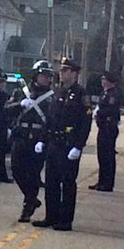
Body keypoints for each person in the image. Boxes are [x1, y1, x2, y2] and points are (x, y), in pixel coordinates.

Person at [32, 56, 91, 231]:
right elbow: (50, 119)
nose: (61, 73)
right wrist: (42, 139)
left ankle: (65, 220)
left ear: (73, 73)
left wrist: (78, 146)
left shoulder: (81, 94)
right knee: (51, 181)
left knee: (67, 183)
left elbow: (85, 123)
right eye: (61, 70)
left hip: (69, 144)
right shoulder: (58, 92)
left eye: (65, 71)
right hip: (54, 143)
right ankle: (51, 216)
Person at [9, 60, 56, 222]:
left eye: (48, 76)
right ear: (36, 75)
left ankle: (28, 206)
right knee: (16, 171)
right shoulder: (21, 92)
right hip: (20, 137)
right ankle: (31, 198)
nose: (46, 79)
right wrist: (19, 104)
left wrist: (44, 140)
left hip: (38, 140)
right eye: (43, 75)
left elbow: (53, 120)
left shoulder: (52, 98)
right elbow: (6, 110)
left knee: (33, 174)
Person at [89, 70, 121, 192]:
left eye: (104, 79)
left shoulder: (114, 94)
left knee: (108, 156)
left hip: (109, 127)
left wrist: (99, 113)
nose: (102, 81)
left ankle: (108, 183)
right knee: (101, 156)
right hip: (102, 127)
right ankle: (101, 181)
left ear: (109, 81)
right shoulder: (104, 93)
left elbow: (111, 110)